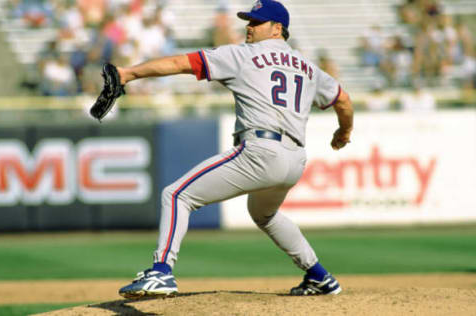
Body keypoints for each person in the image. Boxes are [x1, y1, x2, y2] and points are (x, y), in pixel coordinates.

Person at [116, 0, 353, 298]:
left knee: (176, 195)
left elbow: (180, 64)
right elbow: (343, 100)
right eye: (248, 21)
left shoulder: (243, 55)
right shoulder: (308, 68)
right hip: (294, 161)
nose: (248, 27)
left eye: (256, 22)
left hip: (261, 150)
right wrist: (343, 132)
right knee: (264, 214)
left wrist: (129, 73)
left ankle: (161, 272)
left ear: (277, 28)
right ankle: (320, 277)